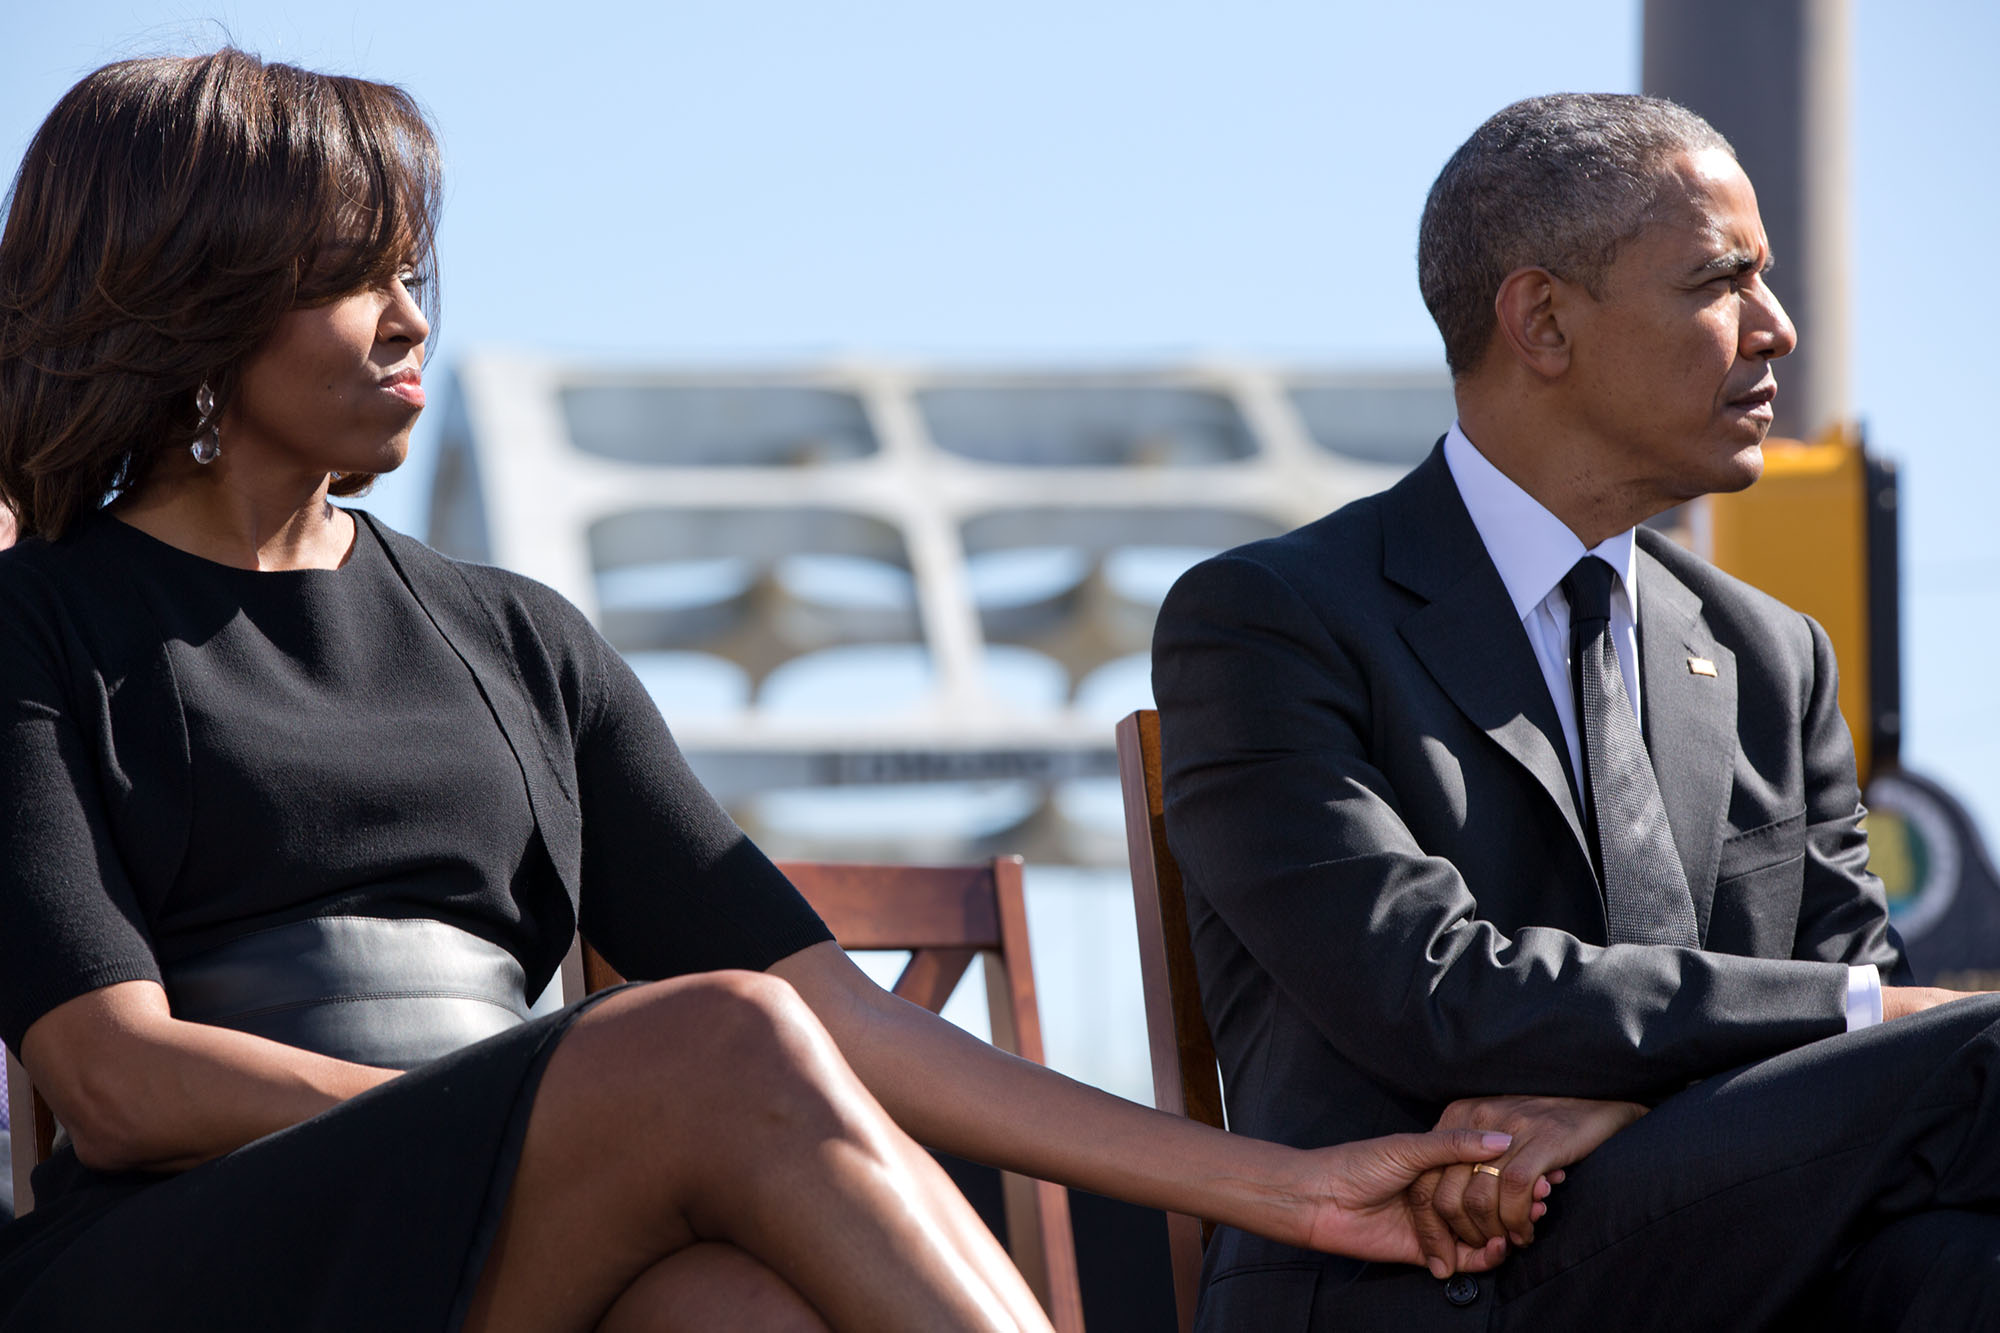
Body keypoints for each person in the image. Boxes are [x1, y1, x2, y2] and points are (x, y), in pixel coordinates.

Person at [0, 49, 1528, 1332]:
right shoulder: (35, 626)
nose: (409, 317)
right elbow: (119, 1080)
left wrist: (1294, 1183)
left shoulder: (516, 636)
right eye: (348, 275)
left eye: (413, 268)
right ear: (191, 301)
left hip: (504, 1226)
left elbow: (834, 1021)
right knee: (706, 1043)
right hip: (192, 1254)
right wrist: (529, 1110)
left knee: (745, 1306)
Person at [1154, 92, 2000, 1331]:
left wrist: (1630, 1105)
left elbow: (1855, 1057)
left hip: (1750, 1258)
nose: (1776, 328)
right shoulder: (1270, 618)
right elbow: (1432, 994)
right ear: (1540, 320)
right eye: (1719, 281)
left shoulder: (1770, 657)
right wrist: (1867, 1017)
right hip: (1425, 1270)